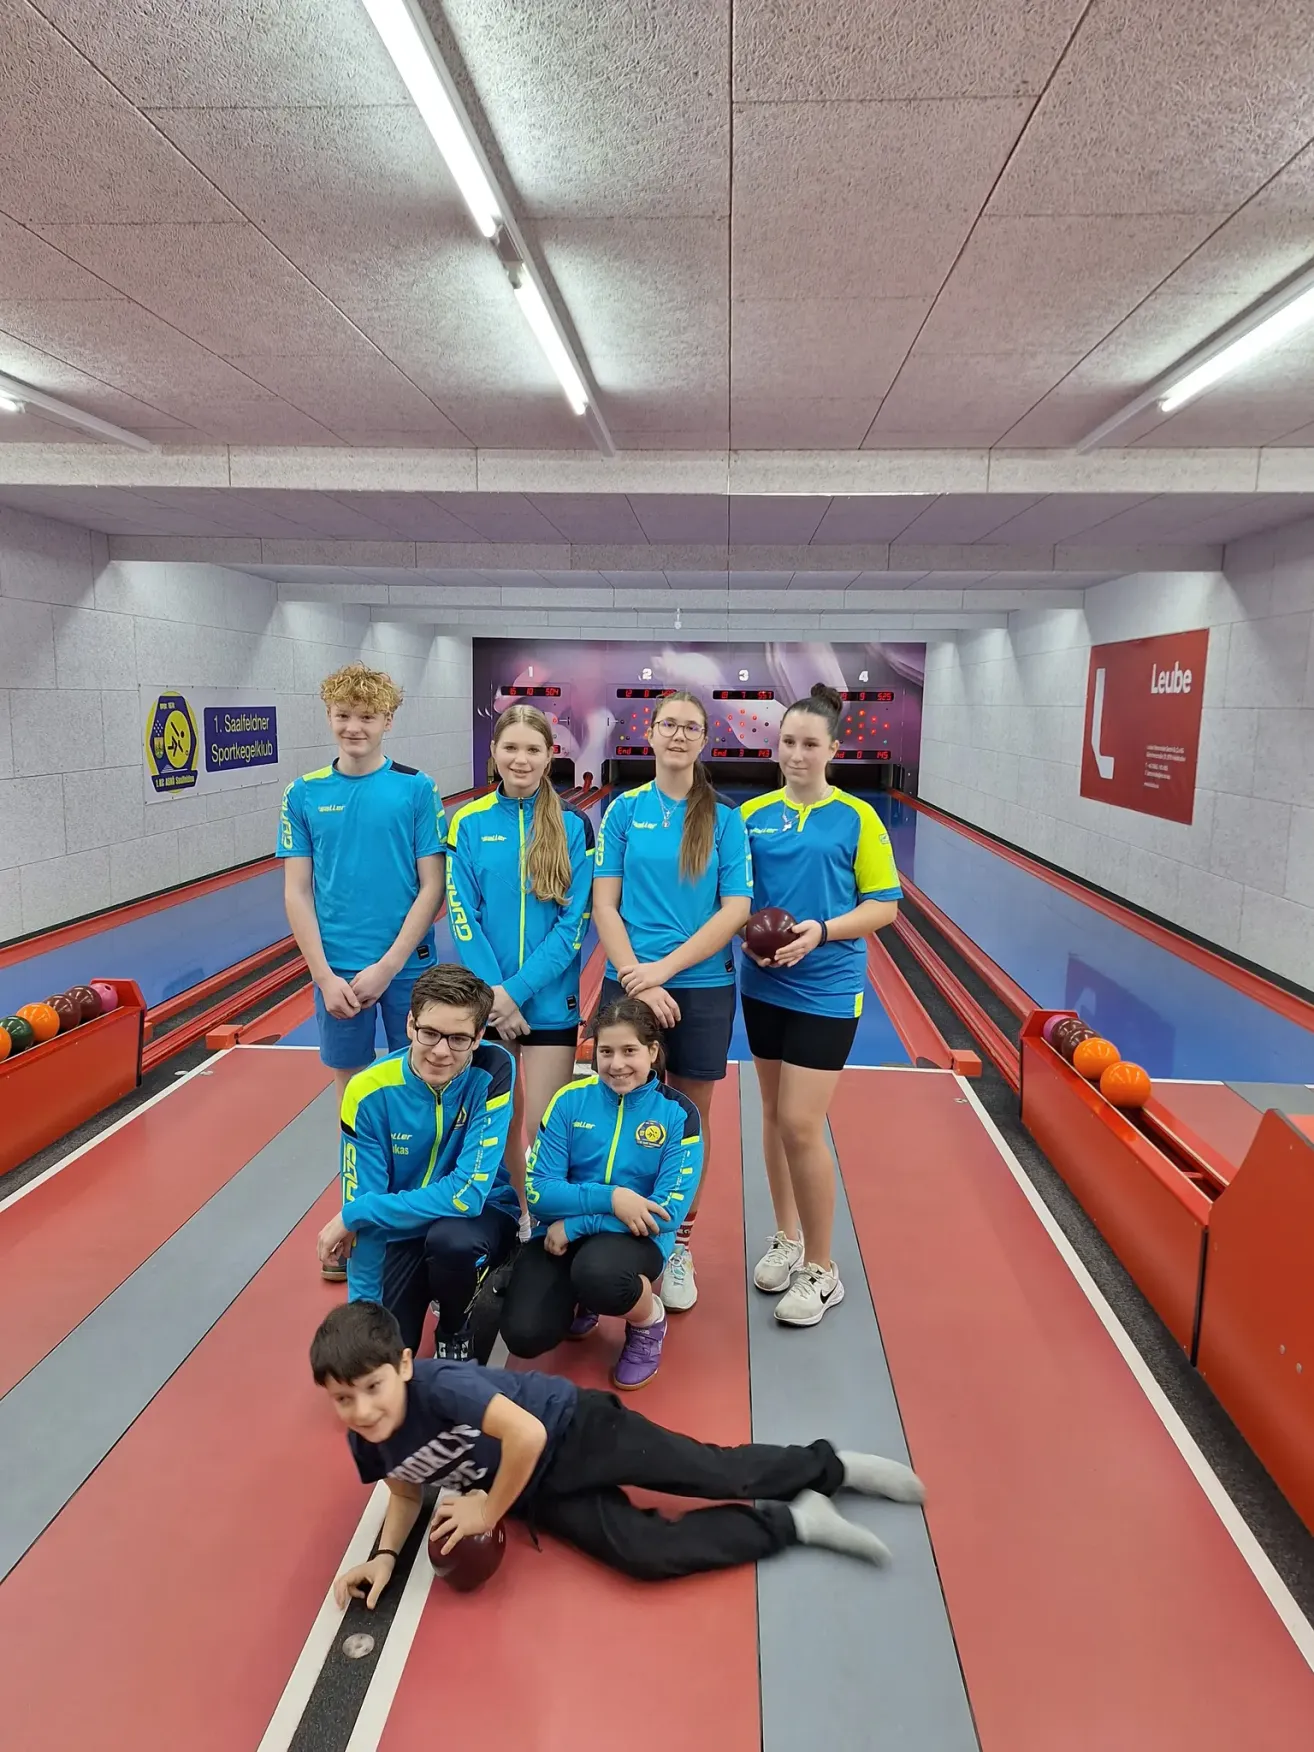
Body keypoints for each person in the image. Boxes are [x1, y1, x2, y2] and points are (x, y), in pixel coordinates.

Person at [313, 1300, 926, 1602]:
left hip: (575, 1430)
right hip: (531, 1489)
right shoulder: (365, 1438)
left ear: (402, 1366)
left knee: (712, 1471)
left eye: (373, 1388)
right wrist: (387, 1557)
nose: (363, 1409)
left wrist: (486, 1510)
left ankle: (834, 1467)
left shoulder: (443, 1385)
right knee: (642, 1555)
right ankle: (796, 1522)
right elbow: (405, 1488)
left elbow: (526, 1433)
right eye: (344, 1399)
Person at [740, 685, 902, 1328]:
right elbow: (736, 896)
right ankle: (786, 1237)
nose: (797, 754)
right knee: (774, 1116)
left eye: (811, 744)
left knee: (802, 1124)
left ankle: (824, 1269)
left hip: (828, 987)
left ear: (835, 748)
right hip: (763, 984)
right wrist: (749, 935)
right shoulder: (750, 813)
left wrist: (820, 931)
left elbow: (883, 905)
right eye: (788, 742)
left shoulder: (858, 818)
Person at [279, 664, 446, 1280]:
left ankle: (420, 1219)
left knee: (424, 1093)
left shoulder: (416, 789)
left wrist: (389, 965)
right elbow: (298, 893)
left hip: (405, 968)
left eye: (366, 716)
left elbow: (432, 887)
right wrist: (324, 975)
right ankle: (357, 1220)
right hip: (336, 973)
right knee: (353, 1106)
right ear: (329, 717)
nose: (354, 727)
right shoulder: (302, 793)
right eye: (343, 715)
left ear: (387, 721)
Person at [592, 691, 753, 1312]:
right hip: (630, 980)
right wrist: (638, 976)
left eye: (691, 727)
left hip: (703, 985)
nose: (679, 735)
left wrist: (664, 970)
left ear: (704, 739)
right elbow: (605, 903)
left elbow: (735, 910)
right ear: (650, 735)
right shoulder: (623, 812)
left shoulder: (725, 819)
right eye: (669, 725)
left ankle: (676, 1243)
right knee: (616, 1106)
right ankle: (612, 1231)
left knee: (691, 1117)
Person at [315, 965, 521, 1362]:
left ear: (479, 1038)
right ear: (410, 1024)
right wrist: (363, 1316)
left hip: (479, 1216)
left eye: (459, 1038)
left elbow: (467, 1196)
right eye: (430, 1033)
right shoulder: (368, 1091)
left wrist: (357, 1212)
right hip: (401, 1229)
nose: (441, 1051)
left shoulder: (493, 1070)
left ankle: (454, 1328)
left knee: (452, 1243)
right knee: (387, 1349)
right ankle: (428, 1288)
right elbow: (366, 1221)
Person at [446, 705, 595, 1234]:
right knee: (500, 1124)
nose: (521, 759)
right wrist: (494, 996)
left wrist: (515, 992)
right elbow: (462, 914)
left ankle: (552, 1221)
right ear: (494, 753)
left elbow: (573, 925)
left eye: (533, 749)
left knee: (547, 1127)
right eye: (510, 747)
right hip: (489, 1001)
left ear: (551, 755)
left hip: (550, 1000)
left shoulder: (575, 825)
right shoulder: (468, 821)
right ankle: (516, 1218)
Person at [501, 998, 701, 1390]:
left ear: (653, 1052)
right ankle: (584, 1299)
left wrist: (578, 1225)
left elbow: (665, 1214)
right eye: (606, 1051)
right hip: (560, 1233)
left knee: (600, 1273)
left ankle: (648, 1321)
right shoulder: (569, 1100)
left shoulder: (678, 1114)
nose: (616, 1064)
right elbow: (539, 1191)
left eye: (630, 1051)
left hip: (634, 1238)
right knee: (525, 1334)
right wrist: (612, 1199)